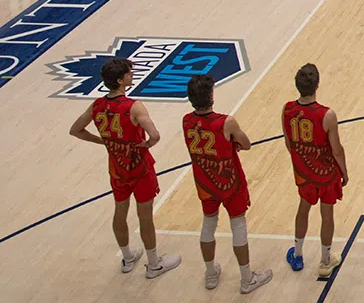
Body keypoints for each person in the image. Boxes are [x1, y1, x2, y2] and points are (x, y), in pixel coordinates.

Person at [67, 57, 181, 279]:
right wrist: (148, 144)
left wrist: (104, 141)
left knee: (120, 211)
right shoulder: (133, 106)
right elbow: (155, 135)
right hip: (139, 167)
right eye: (129, 73)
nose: (132, 75)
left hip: (117, 167)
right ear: (120, 80)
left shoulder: (97, 105)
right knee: (144, 215)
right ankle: (154, 264)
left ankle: (128, 258)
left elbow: (76, 130)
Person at [183, 74, 272, 293]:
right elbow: (246, 144)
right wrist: (232, 142)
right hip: (228, 181)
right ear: (211, 96)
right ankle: (246, 279)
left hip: (205, 181)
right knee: (238, 225)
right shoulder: (226, 122)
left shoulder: (186, 121)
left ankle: (210, 273)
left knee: (208, 224)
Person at [282, 64, 349, 279]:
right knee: (327, 214)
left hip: (304, 173)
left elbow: (289, 143)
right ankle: (325, 261)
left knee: (303, 208)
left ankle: (297, 254)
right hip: (326, 173)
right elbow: (336, 149)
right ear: (317, 85)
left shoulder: (287, 109)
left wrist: (303, 161)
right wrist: (344, 171)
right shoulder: (327, 114)